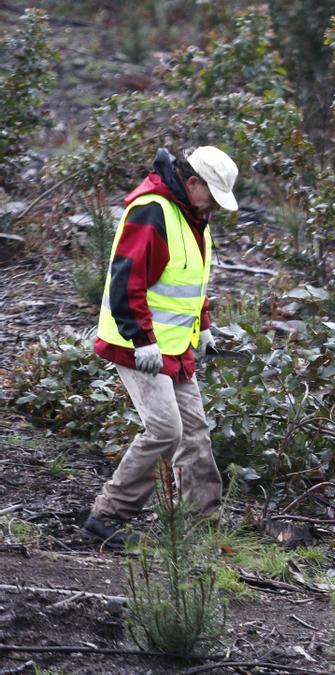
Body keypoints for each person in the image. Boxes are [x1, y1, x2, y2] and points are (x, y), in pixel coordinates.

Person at [84, 146, 239, 548]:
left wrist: (203, 326)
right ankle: (109, 515)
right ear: (192, 183)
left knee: (194, 431)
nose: (216, 208)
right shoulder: (152, 212)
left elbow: (191, 280)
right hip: (137, 344)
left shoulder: (194, 216)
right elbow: (126, 280)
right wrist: (142, 340)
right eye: (213, 196)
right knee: (166, 430)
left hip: (174, 346)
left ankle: (203, 524)